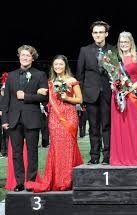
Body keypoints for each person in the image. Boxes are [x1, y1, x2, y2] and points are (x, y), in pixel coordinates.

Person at [25, 55, 84, 192]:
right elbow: (45, 98)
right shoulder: (50, 82)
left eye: (60, 64)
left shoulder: (72, 80)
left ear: (65, 66)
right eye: (55, 64)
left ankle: (68, 179)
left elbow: (80, 100)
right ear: (53, 66)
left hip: (69, 116)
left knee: (69, 147)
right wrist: (39, 91)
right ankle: (57, 179)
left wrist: (66, 97)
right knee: (56, 148)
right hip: (54, 119)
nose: (58, 67)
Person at [1, 45, 48, 192]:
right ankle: (20, 182)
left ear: (32, 58)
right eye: (22, 55)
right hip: (14, 120)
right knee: (16, 153)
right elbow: (5, 100)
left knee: (33, 152)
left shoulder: (40, 75)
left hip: (32, 118)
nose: (25, 57)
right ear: (19, 57)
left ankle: (31, 182)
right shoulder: (11, 75)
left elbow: (44, 97)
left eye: (28, 55)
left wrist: (26, 97)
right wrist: (5, 120)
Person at [76, 21, 113, 165]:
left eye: (101, 32)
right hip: (90, 95)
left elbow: (115, 74)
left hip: (107, 94)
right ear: (92, 34)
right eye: (95, 32)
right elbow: (80, 74)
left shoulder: (112, 50)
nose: (98, 35)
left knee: (107, 126)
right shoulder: (84, 50)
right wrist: (82, 96)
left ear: (106, 34)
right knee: (93, 127)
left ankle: (108, 156)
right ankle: (94, 156)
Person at [110, 31, 137, 166]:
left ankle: (135, 158)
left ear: (131, 42)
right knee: (120, 128)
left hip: (132, 96)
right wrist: (114, 86)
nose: (123, 44)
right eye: (121, 42)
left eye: (126, 42)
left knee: (133, 127)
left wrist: (129, 89)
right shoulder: (115, 58)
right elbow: (113, 77)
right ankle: (120, 158)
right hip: (118, 98)